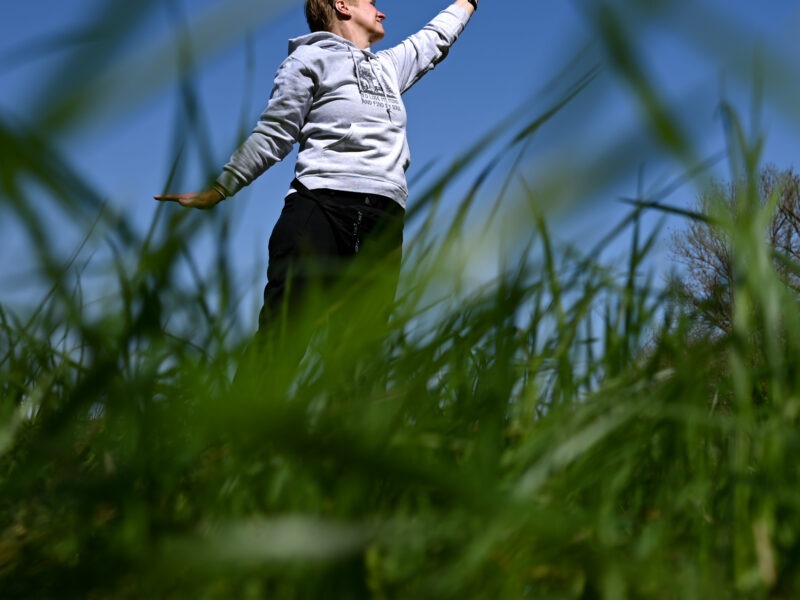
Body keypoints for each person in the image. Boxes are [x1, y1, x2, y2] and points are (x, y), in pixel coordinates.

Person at [155, 0, 478, 364]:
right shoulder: (308, 60)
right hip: (320, 210)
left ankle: (337, 423)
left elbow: (433, 39)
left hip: (384, 223)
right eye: (371, 2)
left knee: (362, 355)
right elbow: (275, 133)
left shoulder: (388, 67)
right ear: (342, 5)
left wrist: (469, 1)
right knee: (284, 341)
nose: (382, 10)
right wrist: (220, 188)